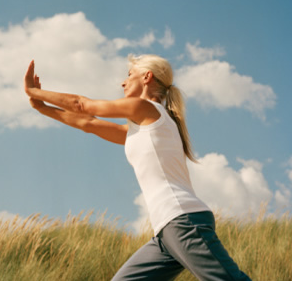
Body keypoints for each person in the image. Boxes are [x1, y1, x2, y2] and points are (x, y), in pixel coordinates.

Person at [23, 55, 251, 280]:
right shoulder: (140, 129)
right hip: (165, 232)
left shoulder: (145, 108)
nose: (123, 82)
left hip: (183, 220)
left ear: (147, 77)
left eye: (129, 75)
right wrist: (41, 107)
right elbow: (88, 123)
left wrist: (33, 91)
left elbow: (82, 105)